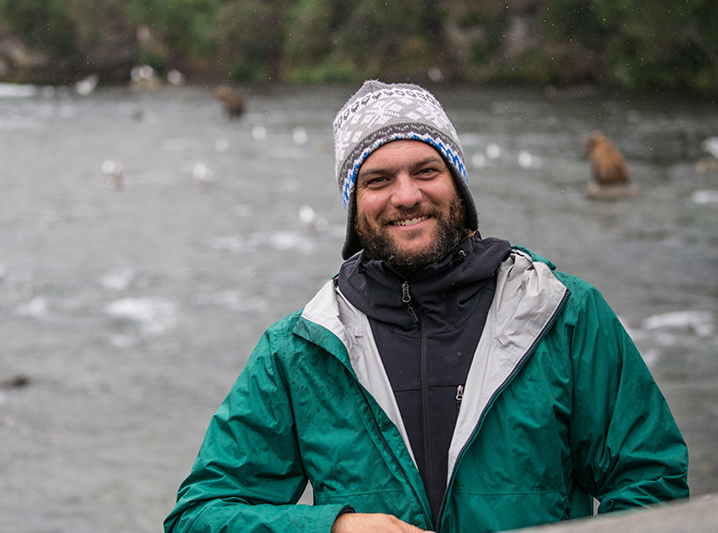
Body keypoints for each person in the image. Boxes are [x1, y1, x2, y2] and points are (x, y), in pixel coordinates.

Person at [164, 81, 689, 533]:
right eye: (378, 180)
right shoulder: (301, 351)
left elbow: (651, 479)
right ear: (353, 203)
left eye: (426, 170)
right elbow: (200, 515)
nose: (407, 195)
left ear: (458, 184)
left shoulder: (564, 315)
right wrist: (333, 526)